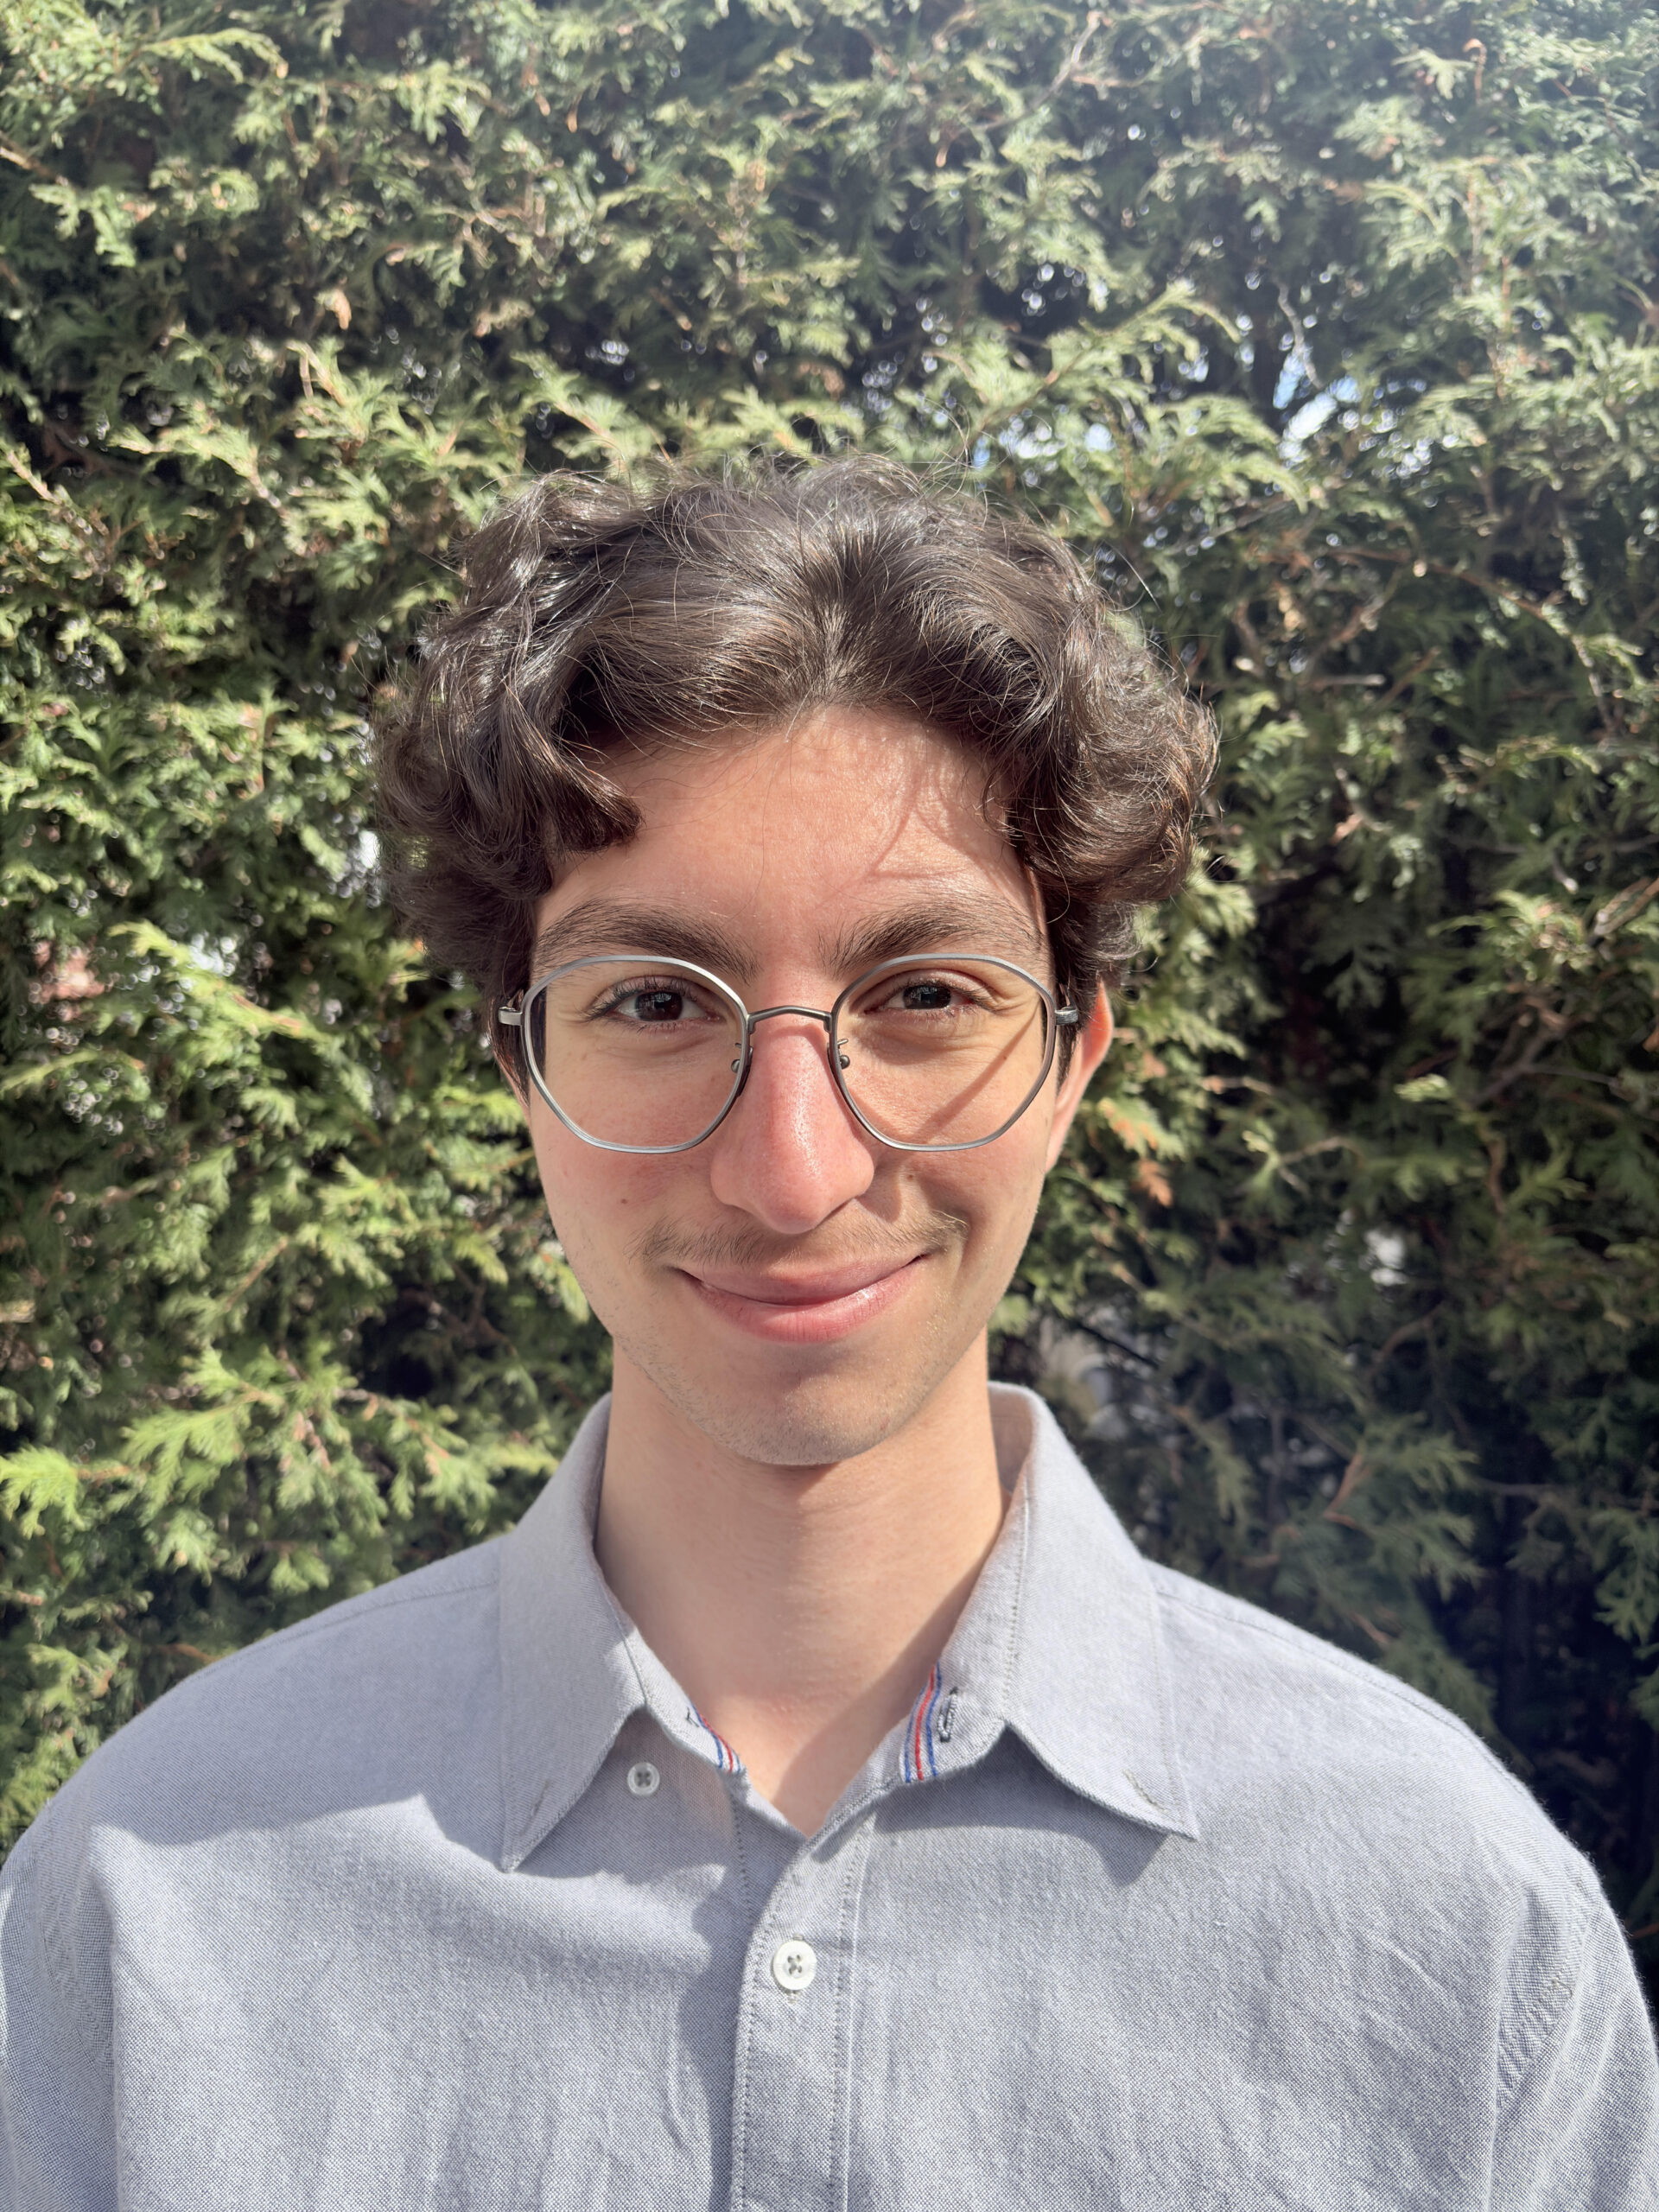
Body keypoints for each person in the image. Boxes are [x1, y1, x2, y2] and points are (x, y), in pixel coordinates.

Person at [1, 459, 1653, 2209]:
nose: (793, 1170)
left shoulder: (1454, 1937)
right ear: (522, 1069)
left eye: (926, 994)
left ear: (1073, 1057)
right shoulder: (145, 1909)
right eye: (655, 1000)